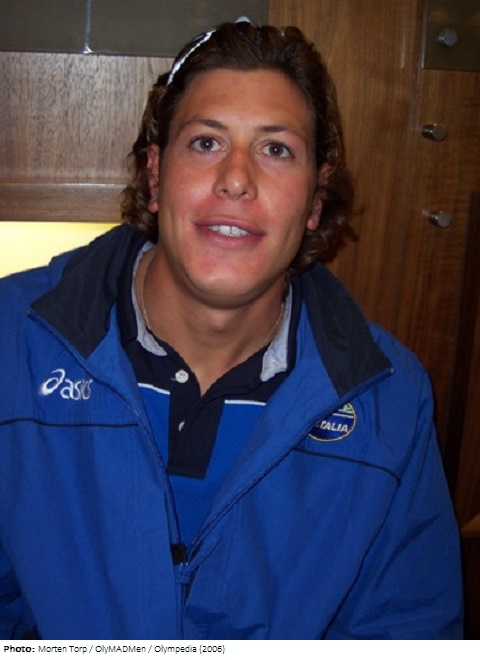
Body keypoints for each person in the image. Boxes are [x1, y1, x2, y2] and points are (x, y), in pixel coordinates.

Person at [0, 20, 463, 640]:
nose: (237, 178)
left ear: (315, 200)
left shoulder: (391, 401)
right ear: (156, 176)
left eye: (276, 150)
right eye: (206, 142)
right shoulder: (12, 344)